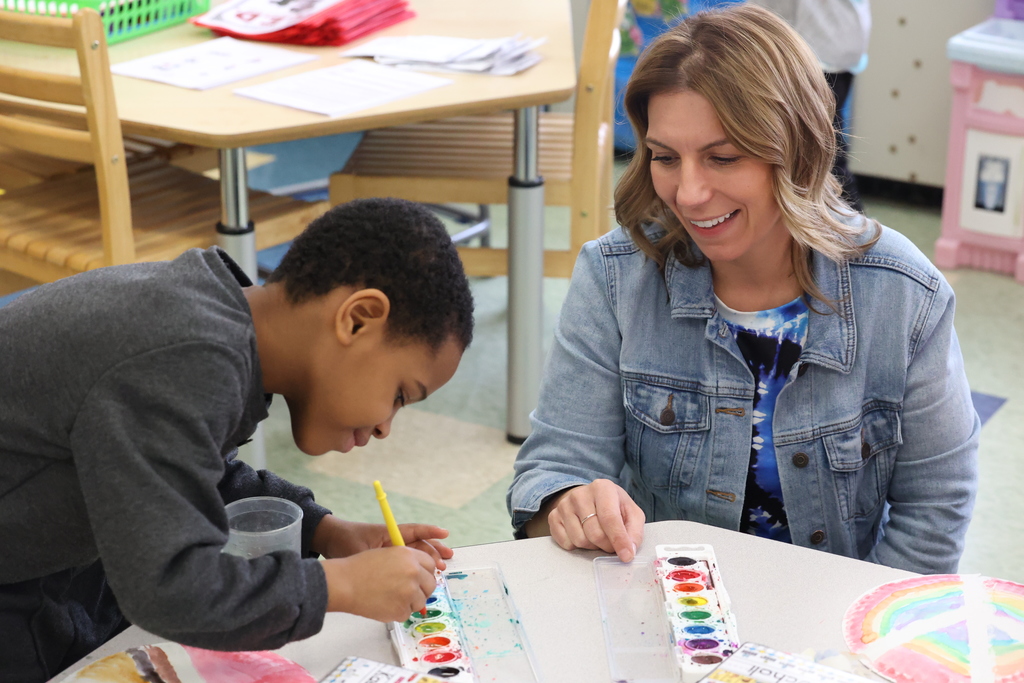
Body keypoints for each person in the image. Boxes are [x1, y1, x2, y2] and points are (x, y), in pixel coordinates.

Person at [507, 5, 979, 575]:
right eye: (664, 157)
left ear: (796, 150)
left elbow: (935, 507)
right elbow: (553, 468)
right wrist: (566, 504)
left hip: (836, 631)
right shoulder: (614, 276)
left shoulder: (905, 293)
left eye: (722, 157)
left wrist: (854, 644)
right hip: (661, 615)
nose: (689, 193)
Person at [0, 198, 474, 682]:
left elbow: (192, 477)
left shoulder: (214, 320)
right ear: (357, 319)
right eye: (399, 395)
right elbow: (169, 586)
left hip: (72, 565)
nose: (384, 427)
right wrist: (340, 586)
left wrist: (327, 532)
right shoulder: (182, 356)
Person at [748, 0, 871, 210]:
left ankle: (854, 230)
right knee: (819, 147)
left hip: (819, 48)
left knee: (821, 150)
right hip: (817, 42)